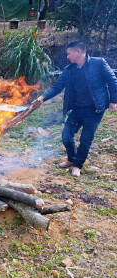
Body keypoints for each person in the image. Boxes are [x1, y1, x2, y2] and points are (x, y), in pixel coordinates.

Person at [33, 41, 117, 177]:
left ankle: (78, 165)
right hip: (77, 108)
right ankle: (71, 159)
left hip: (95, 109)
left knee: (85, 139)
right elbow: (57, 87)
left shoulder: (99, 63)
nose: (67, 57)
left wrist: (114, 100)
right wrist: (42, 97)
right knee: (66, 136)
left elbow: (113, 80)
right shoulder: (69, 70)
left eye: (68, 53)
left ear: (79, 52)